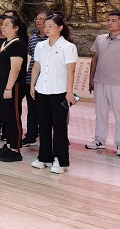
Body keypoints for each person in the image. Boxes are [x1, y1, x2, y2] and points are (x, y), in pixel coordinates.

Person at [30, 15, 78, 174]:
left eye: (51, 26)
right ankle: (44, 157)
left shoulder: (68, 47)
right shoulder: (40, 46)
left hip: (59, 92)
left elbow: (71, 71)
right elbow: (36, 66)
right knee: (43, 125)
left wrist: (69, 92)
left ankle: (60, 160)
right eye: (46, 26)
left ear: (60, 27)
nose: (47, 28)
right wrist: (32, 85)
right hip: (41, 90)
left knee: (59, 127)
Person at [86, 12, 120, 157]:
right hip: (100, 82)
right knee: (100, 113)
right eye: (108, 20)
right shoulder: (100, 39)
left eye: (114, 20)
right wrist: (91, 79)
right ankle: (99, 140)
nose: (109, 23)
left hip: (119, 84)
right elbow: (94, 59)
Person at [0, 16, 28, 162]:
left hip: (13, 85)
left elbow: (15, 69)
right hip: (1, 84)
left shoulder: (17, 44)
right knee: (5, 116)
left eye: (7, 25)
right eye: (3, 25)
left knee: (13, 116)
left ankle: (15, 149)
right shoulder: (5, 43)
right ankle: (8, 144)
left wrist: (8, 88)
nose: (3, 27)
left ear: (16, 28)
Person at [22, 11, 49, 147]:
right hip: (31, 78)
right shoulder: (33, 38)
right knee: (32, 109)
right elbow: (32, 56)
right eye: (37, 19)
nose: (38, 21)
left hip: (47, 79)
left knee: (45, 111)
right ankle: (31, 135)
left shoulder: (53, 39)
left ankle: (46, 137)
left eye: (41, 19)